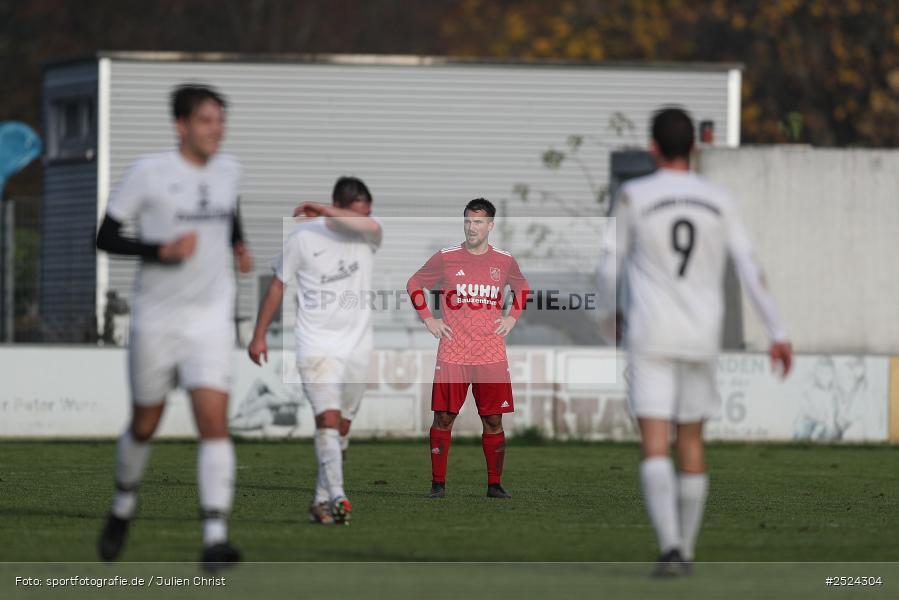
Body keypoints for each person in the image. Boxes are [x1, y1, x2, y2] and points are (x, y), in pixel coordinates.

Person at [597, 107, 793, 576]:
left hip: (650, 334)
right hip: (702, 335)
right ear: (695, 148)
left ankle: (670, 547)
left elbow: (608, 264)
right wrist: (778, 333)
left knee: (654, 442)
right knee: (692, 439)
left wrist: (607, 317)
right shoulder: (718, 199)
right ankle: (685, 548)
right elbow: (750, 267)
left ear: (653, 148)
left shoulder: (635, 195)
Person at [95, 84, 253, 567]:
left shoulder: (230, 170)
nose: (216, 130)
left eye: (220, 121)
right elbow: (104, 237)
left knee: (213, 424)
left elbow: (227, 212)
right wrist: (158, 251)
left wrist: (238, 245)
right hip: (157, 319)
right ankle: (123, 504)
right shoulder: (149, 172)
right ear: (181, 125)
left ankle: (214, 536)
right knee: (146, 423)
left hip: (210, 319)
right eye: (206, 121)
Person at [248, 177, 381, 526]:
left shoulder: (369, 234)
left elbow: (368, 224)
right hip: (315, 345)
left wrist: (323, 209)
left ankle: (321, 499)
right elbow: (278, 284)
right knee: (328, 420)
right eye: (355, 211)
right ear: (341, 206)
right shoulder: (303, 239)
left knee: (343, 428)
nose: (363, 218)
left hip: (357, 347)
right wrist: (259, 334)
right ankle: (338, 497)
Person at [407, 198, 529, 499]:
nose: (471, 227)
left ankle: (494, 485)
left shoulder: (504, 260)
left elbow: (522, 288)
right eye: (467, 221)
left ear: (490, 225)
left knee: (493, 420)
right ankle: (437, 484)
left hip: (490, 353)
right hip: (453, 352)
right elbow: (413, 284)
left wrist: (512, 318)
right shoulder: (446, 257)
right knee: (444, 417)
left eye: (478, 222)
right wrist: (429, 320)